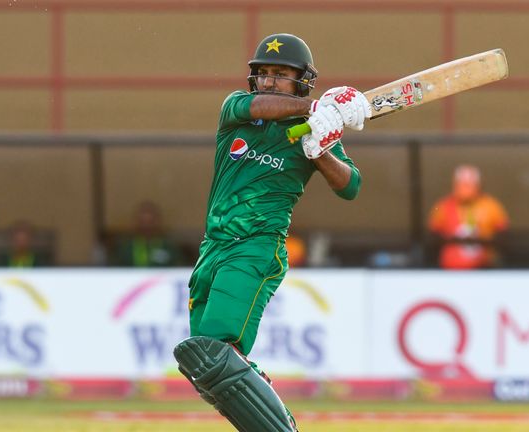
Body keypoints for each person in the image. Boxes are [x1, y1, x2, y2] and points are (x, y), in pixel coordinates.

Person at [173, 33, 370, 432]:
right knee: (204, 366)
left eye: (280, 74)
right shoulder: (237, 111)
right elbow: (261, 105)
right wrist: (315, 108)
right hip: (213, 249)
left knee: (216, 352)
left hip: (256, 249)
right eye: (262, 73)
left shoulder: (315, 131)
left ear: (302, 78)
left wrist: (320, 151)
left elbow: (350, 186)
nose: (268, 81)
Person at [428, 165, 509, 269]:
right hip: (450, 269)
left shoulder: (491, 205)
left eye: (469, 185)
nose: (465, 189)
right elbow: (434, 233)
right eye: (461, 184)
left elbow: (502, 232)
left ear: (478, 186)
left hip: (483, 268)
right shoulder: (443, 205)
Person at [110, 201, 180, 267]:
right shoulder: (126, 248)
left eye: (150, 222)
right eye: (143, 222)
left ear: (157, 222)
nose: (147, 226)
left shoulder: (169, 247)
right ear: (137, 223)